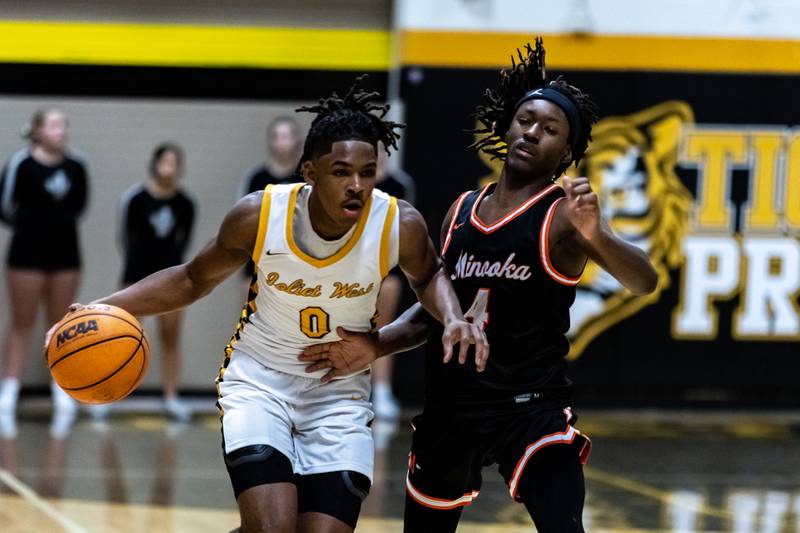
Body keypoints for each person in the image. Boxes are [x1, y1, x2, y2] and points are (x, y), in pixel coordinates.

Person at [48, 77, 487, 533]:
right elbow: (191, 279)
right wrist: (101, 307)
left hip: (338, 396)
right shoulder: (259, 215)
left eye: (367, 171)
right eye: (341, 172)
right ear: (310, 171)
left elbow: (431, 277)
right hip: (261, 383)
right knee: (272, 528)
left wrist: (435, 324)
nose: (357, 185)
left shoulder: (399, 223)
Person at [299, 39, 658, 532]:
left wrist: (599, 234)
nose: (532, 133)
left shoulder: (565, 218)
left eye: (550, 129)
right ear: (507, 126)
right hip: (451, 408)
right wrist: (375, 345)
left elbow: (644, 280)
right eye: (526, 120)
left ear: (567, 151)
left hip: (530, 409)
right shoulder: (462, 210)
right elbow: (434, 311)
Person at [0, 108, 89, 432]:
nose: (60, 130)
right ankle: (8, 389)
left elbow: (79, 205)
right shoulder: (20, 165)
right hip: (26, 254)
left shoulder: (77, 166)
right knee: (22, 322)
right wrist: (33, 227)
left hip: (66, 255)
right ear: (37, 130)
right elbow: (6, 207)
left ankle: (61, 388)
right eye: (53, 124)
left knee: (62, 323)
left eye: (64, 124)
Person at [118, 143, 195, 421]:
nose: (169, 167)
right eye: (165, 161)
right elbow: (126, 239)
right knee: (125, 338)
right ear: (155, 164)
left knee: (171, 337)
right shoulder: (136, 198)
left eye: (175, 162)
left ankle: (171, 397)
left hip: (171, 278)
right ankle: (113, 394)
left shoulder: (185, 203)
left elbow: (183, 242)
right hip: (137, 275)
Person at [371, 144, 417, 420]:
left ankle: (382, 391)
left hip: (388, 269)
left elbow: (406, 227)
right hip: (356, 267)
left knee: (384, 329)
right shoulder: (354, 182)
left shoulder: (399, 184)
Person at [240, 116, 303, 196]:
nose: (280, 142)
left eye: (285, 137)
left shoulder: (306, 178)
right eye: (275, 137)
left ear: (297, 141)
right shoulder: (257, 179)